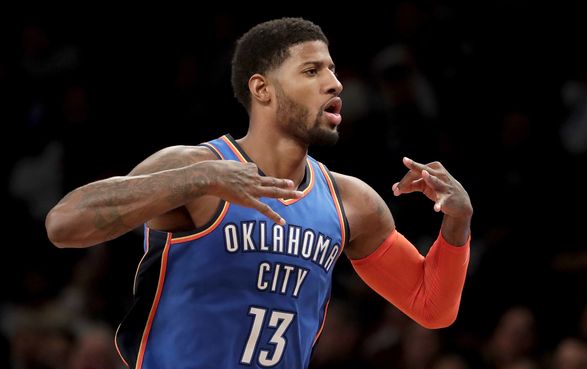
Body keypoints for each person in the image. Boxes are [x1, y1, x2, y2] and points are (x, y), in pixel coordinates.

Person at [45, 17, 473, 369]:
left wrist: (457, 223)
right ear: (262, 88)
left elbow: (431, 307)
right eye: (312, 71)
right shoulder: (194, 166)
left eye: (332, 70)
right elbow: (63, 225)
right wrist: (197, 180)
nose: (334, 84)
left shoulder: (351, 202)